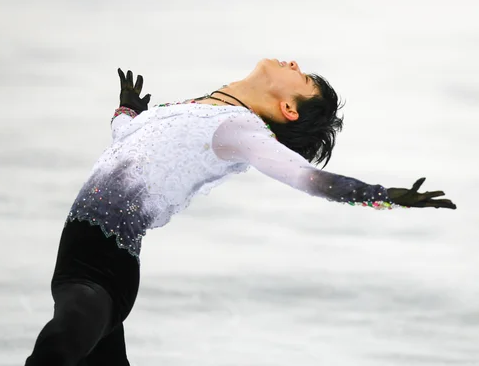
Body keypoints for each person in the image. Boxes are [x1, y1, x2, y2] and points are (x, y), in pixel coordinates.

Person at [25, 59, 456, 366]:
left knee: (60, 346)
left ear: (288, 108)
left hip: (104, 267)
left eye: (301, 76)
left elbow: (307, 178)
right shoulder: (189, 108)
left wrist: (384, 195)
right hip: (83, 260)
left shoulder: (242, 130)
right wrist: (127, 112)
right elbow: (126, 140)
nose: (292, 62)